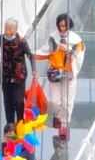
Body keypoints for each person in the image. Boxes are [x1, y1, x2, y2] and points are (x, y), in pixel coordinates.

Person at [0, 19, 36, 128]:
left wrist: (34, 69)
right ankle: (10, 124)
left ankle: (20, 122)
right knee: (7, 101)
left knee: (18, 101)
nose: (7, 31)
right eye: (6, 29)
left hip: (19, 76)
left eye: (10, 29)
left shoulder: (21, 41)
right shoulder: (1, 38)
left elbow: (30, 55)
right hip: (5, 76)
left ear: (15, 29)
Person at [36, 13, 85, 141]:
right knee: (54, 101)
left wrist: (67, 49)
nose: (62, 28)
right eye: (60, 25)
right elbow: (47, 51)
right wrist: (32, 53)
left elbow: (78, 54)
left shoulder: (76, 40)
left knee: (67, 102)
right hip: (55, 74)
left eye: (65, 26)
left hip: (69, 74)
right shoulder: (53, 37)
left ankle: (64, 125)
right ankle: (57, 115)